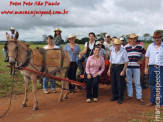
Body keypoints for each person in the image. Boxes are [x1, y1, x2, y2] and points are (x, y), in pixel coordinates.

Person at [125, 33, 146, 103]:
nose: (133, 40)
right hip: (128, 67)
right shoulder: (126, 47)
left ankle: (139, 96)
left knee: (137, 82)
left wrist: (142, 60)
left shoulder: (140, 46)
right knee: (129, 82)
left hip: (136, 67)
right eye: (131, 39)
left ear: (136, 39)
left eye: (134, 38)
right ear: (129, 40)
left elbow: (145, 53)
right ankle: (130, 95)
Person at [107, 39, 128, 104]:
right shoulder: (112, 51)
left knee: (120, 84)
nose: (117, 46)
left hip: (120, 67)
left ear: (120, 45)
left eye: (118, 45)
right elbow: (111, 61)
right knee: (113, 83)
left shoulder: (123, 51)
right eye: (116, 45)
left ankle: (120, 98)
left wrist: (123, 71)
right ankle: (115, 96)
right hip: (113, 67)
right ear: (114, 45)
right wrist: (109, 69)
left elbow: (126, 62)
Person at [145, 31, 163, 107]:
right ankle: (152, 101)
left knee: (160, 86)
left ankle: (160, 103)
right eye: (155, 38)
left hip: (161, 68)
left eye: (158, 37)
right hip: (152, 67)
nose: (157, 39)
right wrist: (146, 67)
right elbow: (147, 57)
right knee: (152, 85)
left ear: (161, 38)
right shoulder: (150, 46)